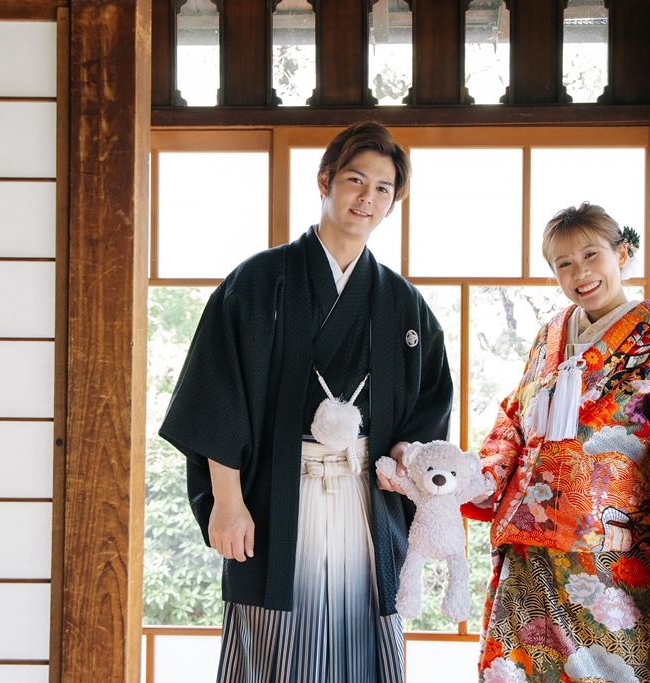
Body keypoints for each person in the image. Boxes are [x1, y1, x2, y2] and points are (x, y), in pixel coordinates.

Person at [159, 121, 452, 683]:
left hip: (365, 497)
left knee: (363, 642)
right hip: (275, 497)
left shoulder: (403, 303)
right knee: (277, 646)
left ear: (393, 202)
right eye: (355, 180)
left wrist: (405, 460)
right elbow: (218, 394)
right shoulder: (257, 281)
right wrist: (227, 501)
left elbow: (426, 409)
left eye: (383, 188)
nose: (367, 197)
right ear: (326, 180)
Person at [462, 202, 650, 683]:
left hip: (613, 549)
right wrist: (484, 476)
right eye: (564, 263)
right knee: (523, 667)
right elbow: (515, 417)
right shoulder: (549, 335)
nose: (580, 273)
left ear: (621, 254)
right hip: (532, 540)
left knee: (616, 668)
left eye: (591, 255)